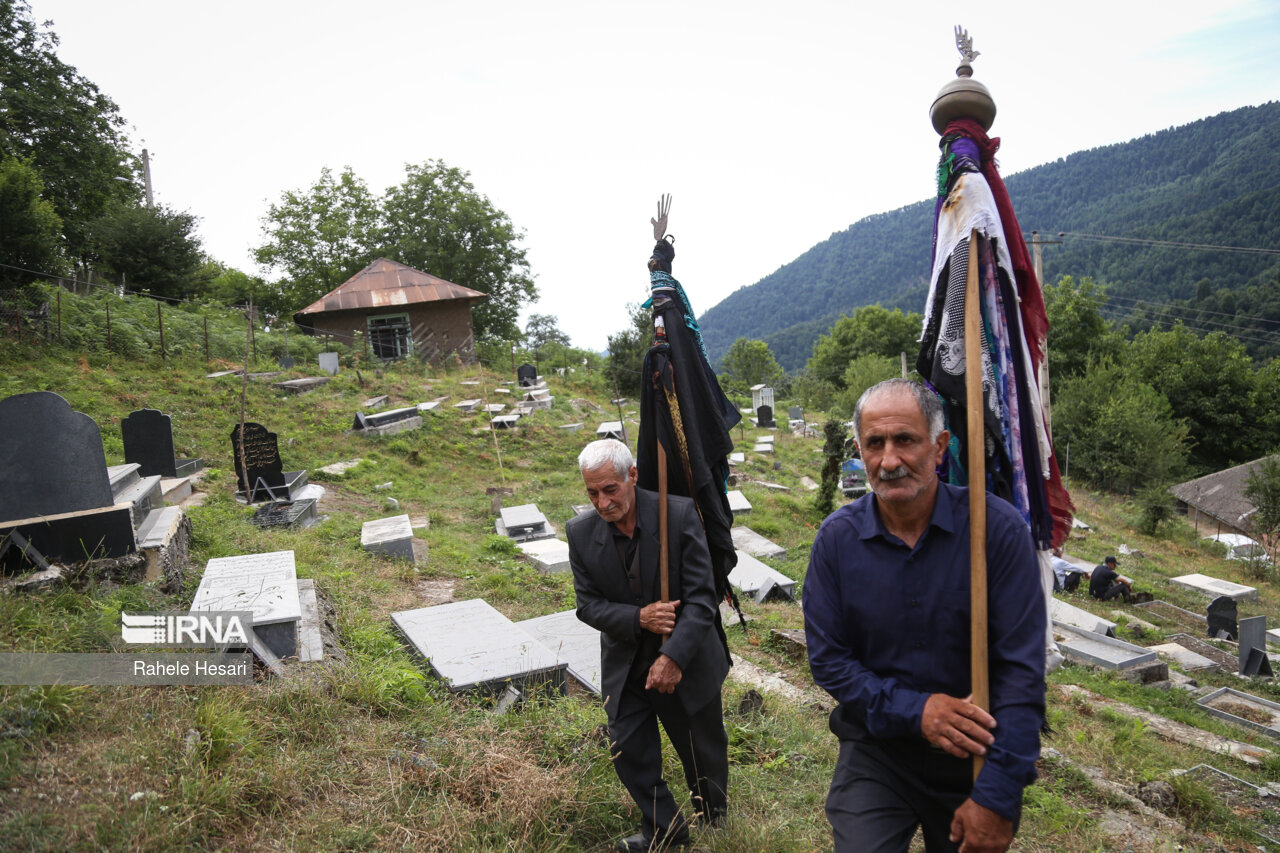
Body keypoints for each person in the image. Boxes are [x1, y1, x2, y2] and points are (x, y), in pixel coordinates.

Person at [802, 378, 1046, 853]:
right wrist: (920, 712)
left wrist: (996, 798)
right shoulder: (836, 542)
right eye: (875, 444)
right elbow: (829, 661)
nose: (889, 461)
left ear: (939, 447)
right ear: (860, 450)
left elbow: (1021, 672)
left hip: (974, 751)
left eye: (905, 441)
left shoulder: (995, 532)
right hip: (878, 750)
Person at [567, 439, 730, 852]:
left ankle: (713, 816)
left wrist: (673, 656)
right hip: (626, 660)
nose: (602, 503)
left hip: (686, 657)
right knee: (628, 747)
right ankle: (665, 828)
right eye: (592, 493)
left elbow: (701, 596)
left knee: (701, 751)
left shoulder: (676, 515)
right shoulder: (581, 534)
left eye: (610, 490)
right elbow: (587, 606)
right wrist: (637, 618)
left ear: (632, 476)